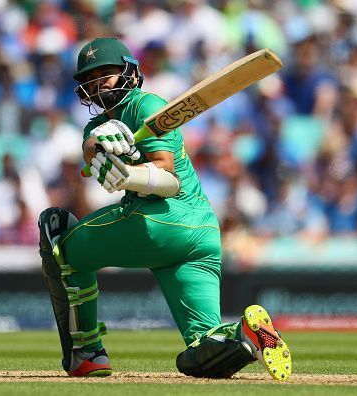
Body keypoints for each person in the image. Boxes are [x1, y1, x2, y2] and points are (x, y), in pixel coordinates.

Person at [37, 38, 291, 380]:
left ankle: (87, 351)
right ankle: (246, 333)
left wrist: (128, 174)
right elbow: (90, 145)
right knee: (201, 353)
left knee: (58, 238)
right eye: (91, 78)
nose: (99, 83)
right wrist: (97, 146)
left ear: (129, 72)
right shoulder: (95, 127)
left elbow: (168, 180)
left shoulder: (148, 105)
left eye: (107, 73)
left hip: (159, 220)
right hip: (200, 235)